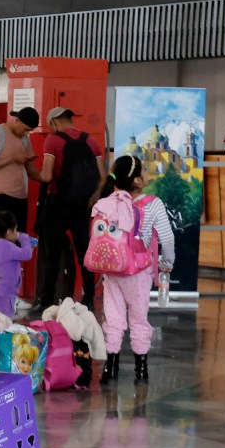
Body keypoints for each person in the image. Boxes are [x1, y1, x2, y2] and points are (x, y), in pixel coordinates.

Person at [96, 156, 175, 384]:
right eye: (145, 170)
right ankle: (141, 370)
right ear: (138, 180)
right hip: (138, 272)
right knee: (139, 319)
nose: (148, 174)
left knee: (113, 317)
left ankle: (110, 369)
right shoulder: (152, 203)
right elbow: (167, 239)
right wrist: (166, 264)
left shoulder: (107, 202)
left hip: (111, 270)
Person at [35, 107, 105, 310]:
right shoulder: (91, 141)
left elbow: (47, 176)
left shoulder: (53, 140)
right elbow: (103, 176)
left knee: (53, 254)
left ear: (53, 123)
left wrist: (32, 171)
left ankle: (47, 300)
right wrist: (93, 198)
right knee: (84, 253)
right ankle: (89, 297)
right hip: (82, 206)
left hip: (57, 204)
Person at [0, 107, 41, 231]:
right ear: (17, 121)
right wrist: (13, 158)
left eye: (29, 131)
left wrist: (45, 176)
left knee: (18, 240)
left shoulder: (25, 140)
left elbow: (32, 171)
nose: (26, 134)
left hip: (20, 197)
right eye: (25, 130)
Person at [0, 211, 36, 319]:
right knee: (4, 324)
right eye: (15, 230)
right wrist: (24, 238)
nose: (17, 233)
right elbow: (26, 254)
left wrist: (29, 245)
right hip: (4, 294)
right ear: (8, 232)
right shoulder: (6, 246)